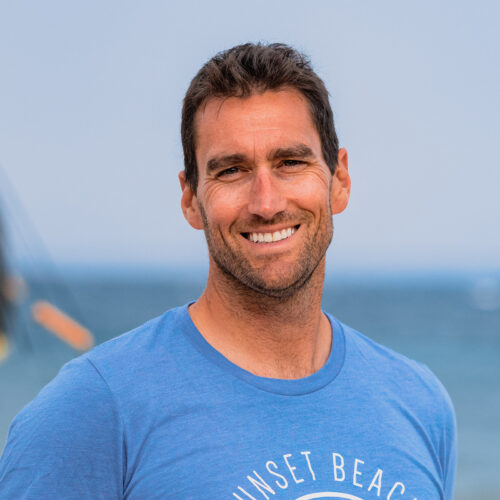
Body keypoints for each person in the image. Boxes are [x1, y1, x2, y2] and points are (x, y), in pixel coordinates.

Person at [0, 43, 456, 499]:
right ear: (190, 199)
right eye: (232, 171)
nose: (266, 203)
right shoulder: (94, 411)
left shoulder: (420, 404)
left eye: (290, 163)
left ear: (340, 180)